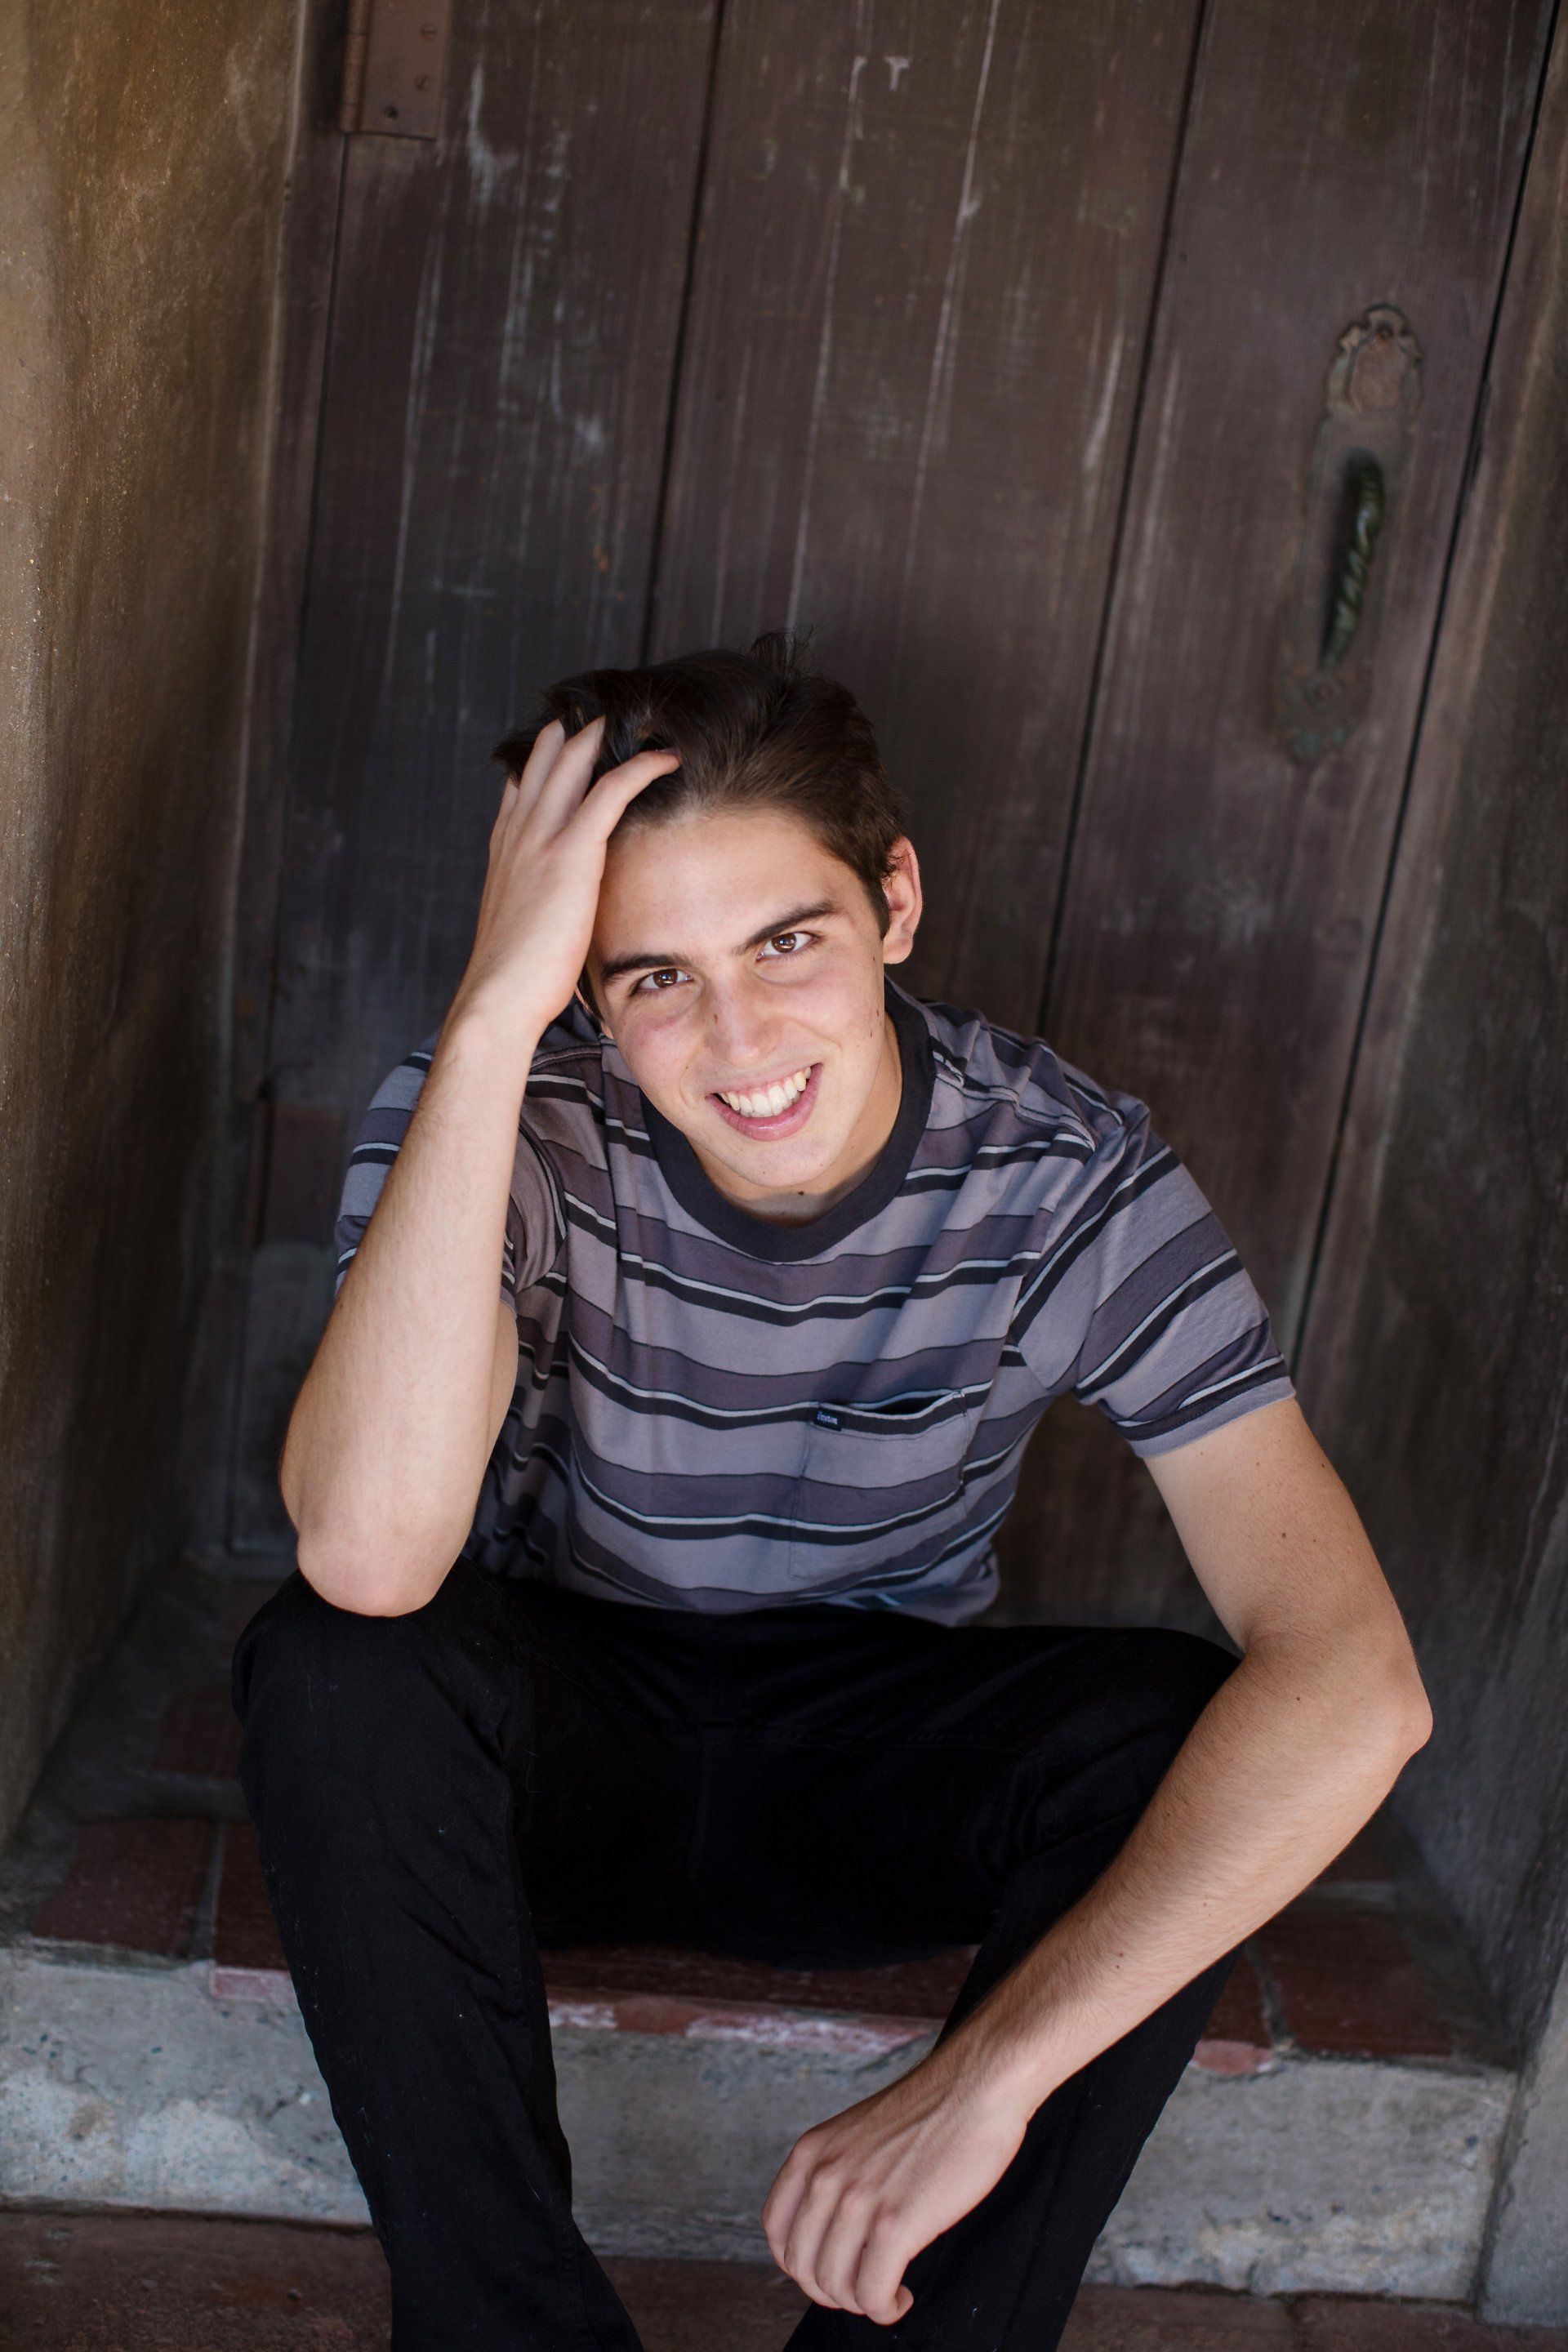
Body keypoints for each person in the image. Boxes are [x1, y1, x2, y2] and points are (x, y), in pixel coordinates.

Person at [234, 632, 1432, 2352]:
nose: (739, 1035)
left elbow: (1358, 1676)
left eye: (788, 941)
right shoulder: (497, 1106)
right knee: (338, 1666)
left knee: (1198, 1743)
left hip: (870, 1749)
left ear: (896, 903)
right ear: (584, 982)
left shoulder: (1064, 1168)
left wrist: (988, 2081)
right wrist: (499, 1011)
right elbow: (366, 1547)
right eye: (651, 976)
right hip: (559, 1742)